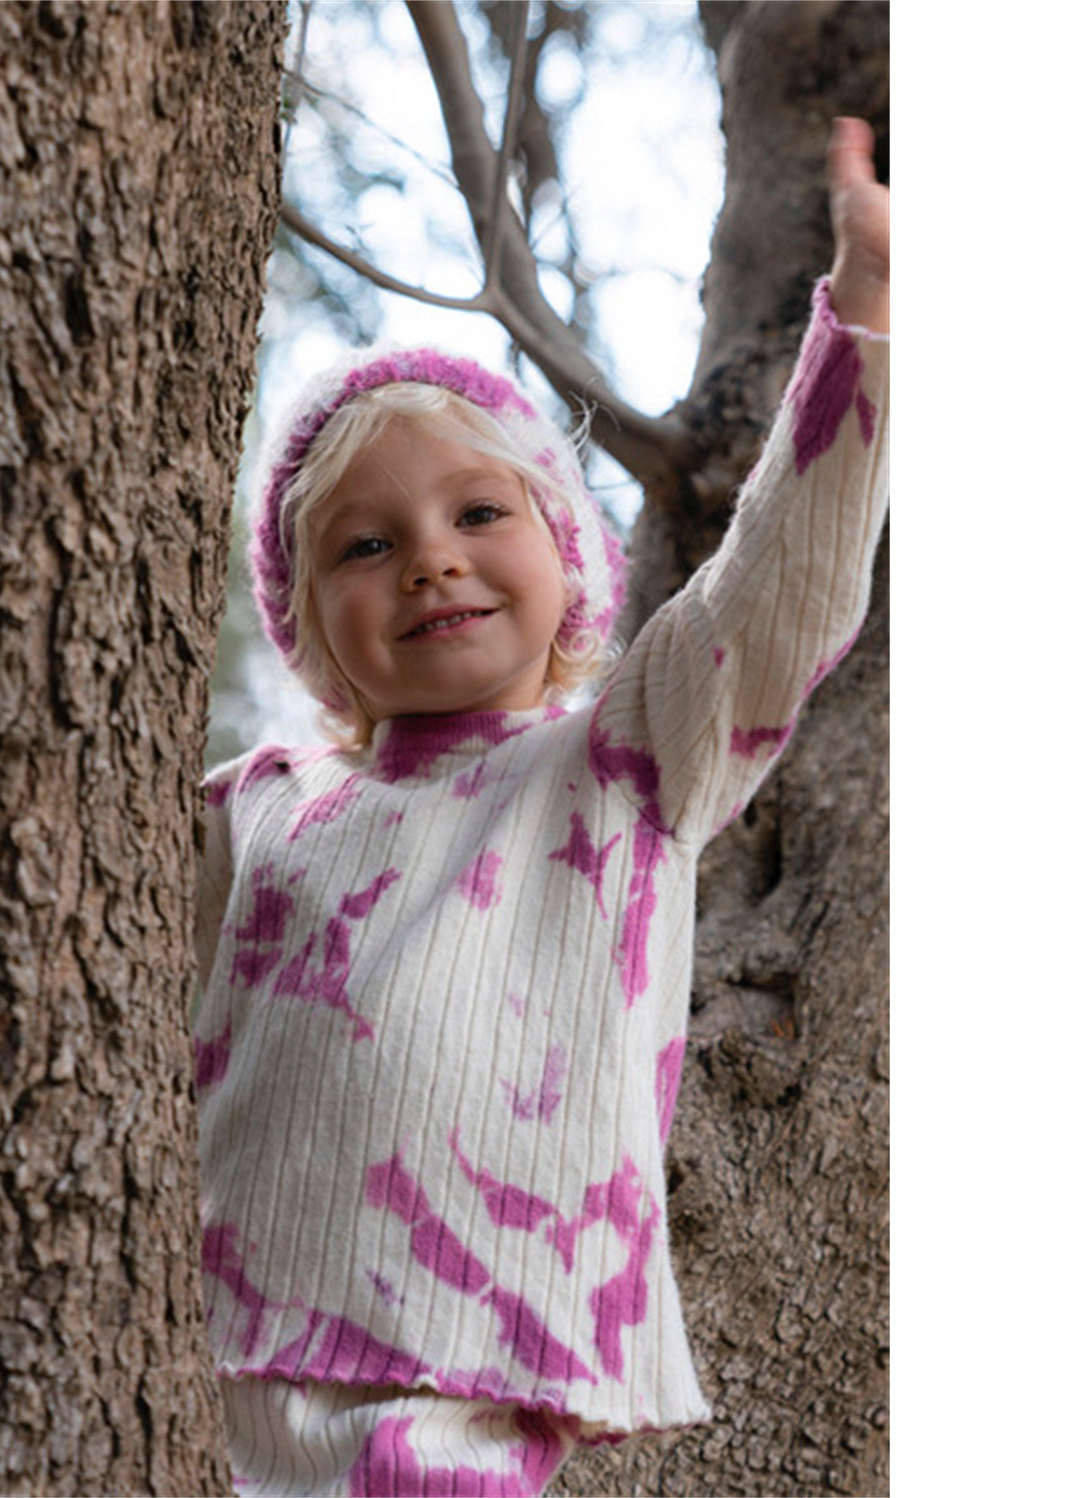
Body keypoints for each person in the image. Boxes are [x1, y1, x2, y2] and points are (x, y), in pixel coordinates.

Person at [192, 117, 889, 1497]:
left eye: (478, 515)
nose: (429, 562)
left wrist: (862, 316)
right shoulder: (256, 806)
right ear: (310, 633)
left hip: (465, 1383)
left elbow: (776, 596)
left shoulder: (623, 761)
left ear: (570, 561)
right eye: (366, 544)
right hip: (202, 1354)